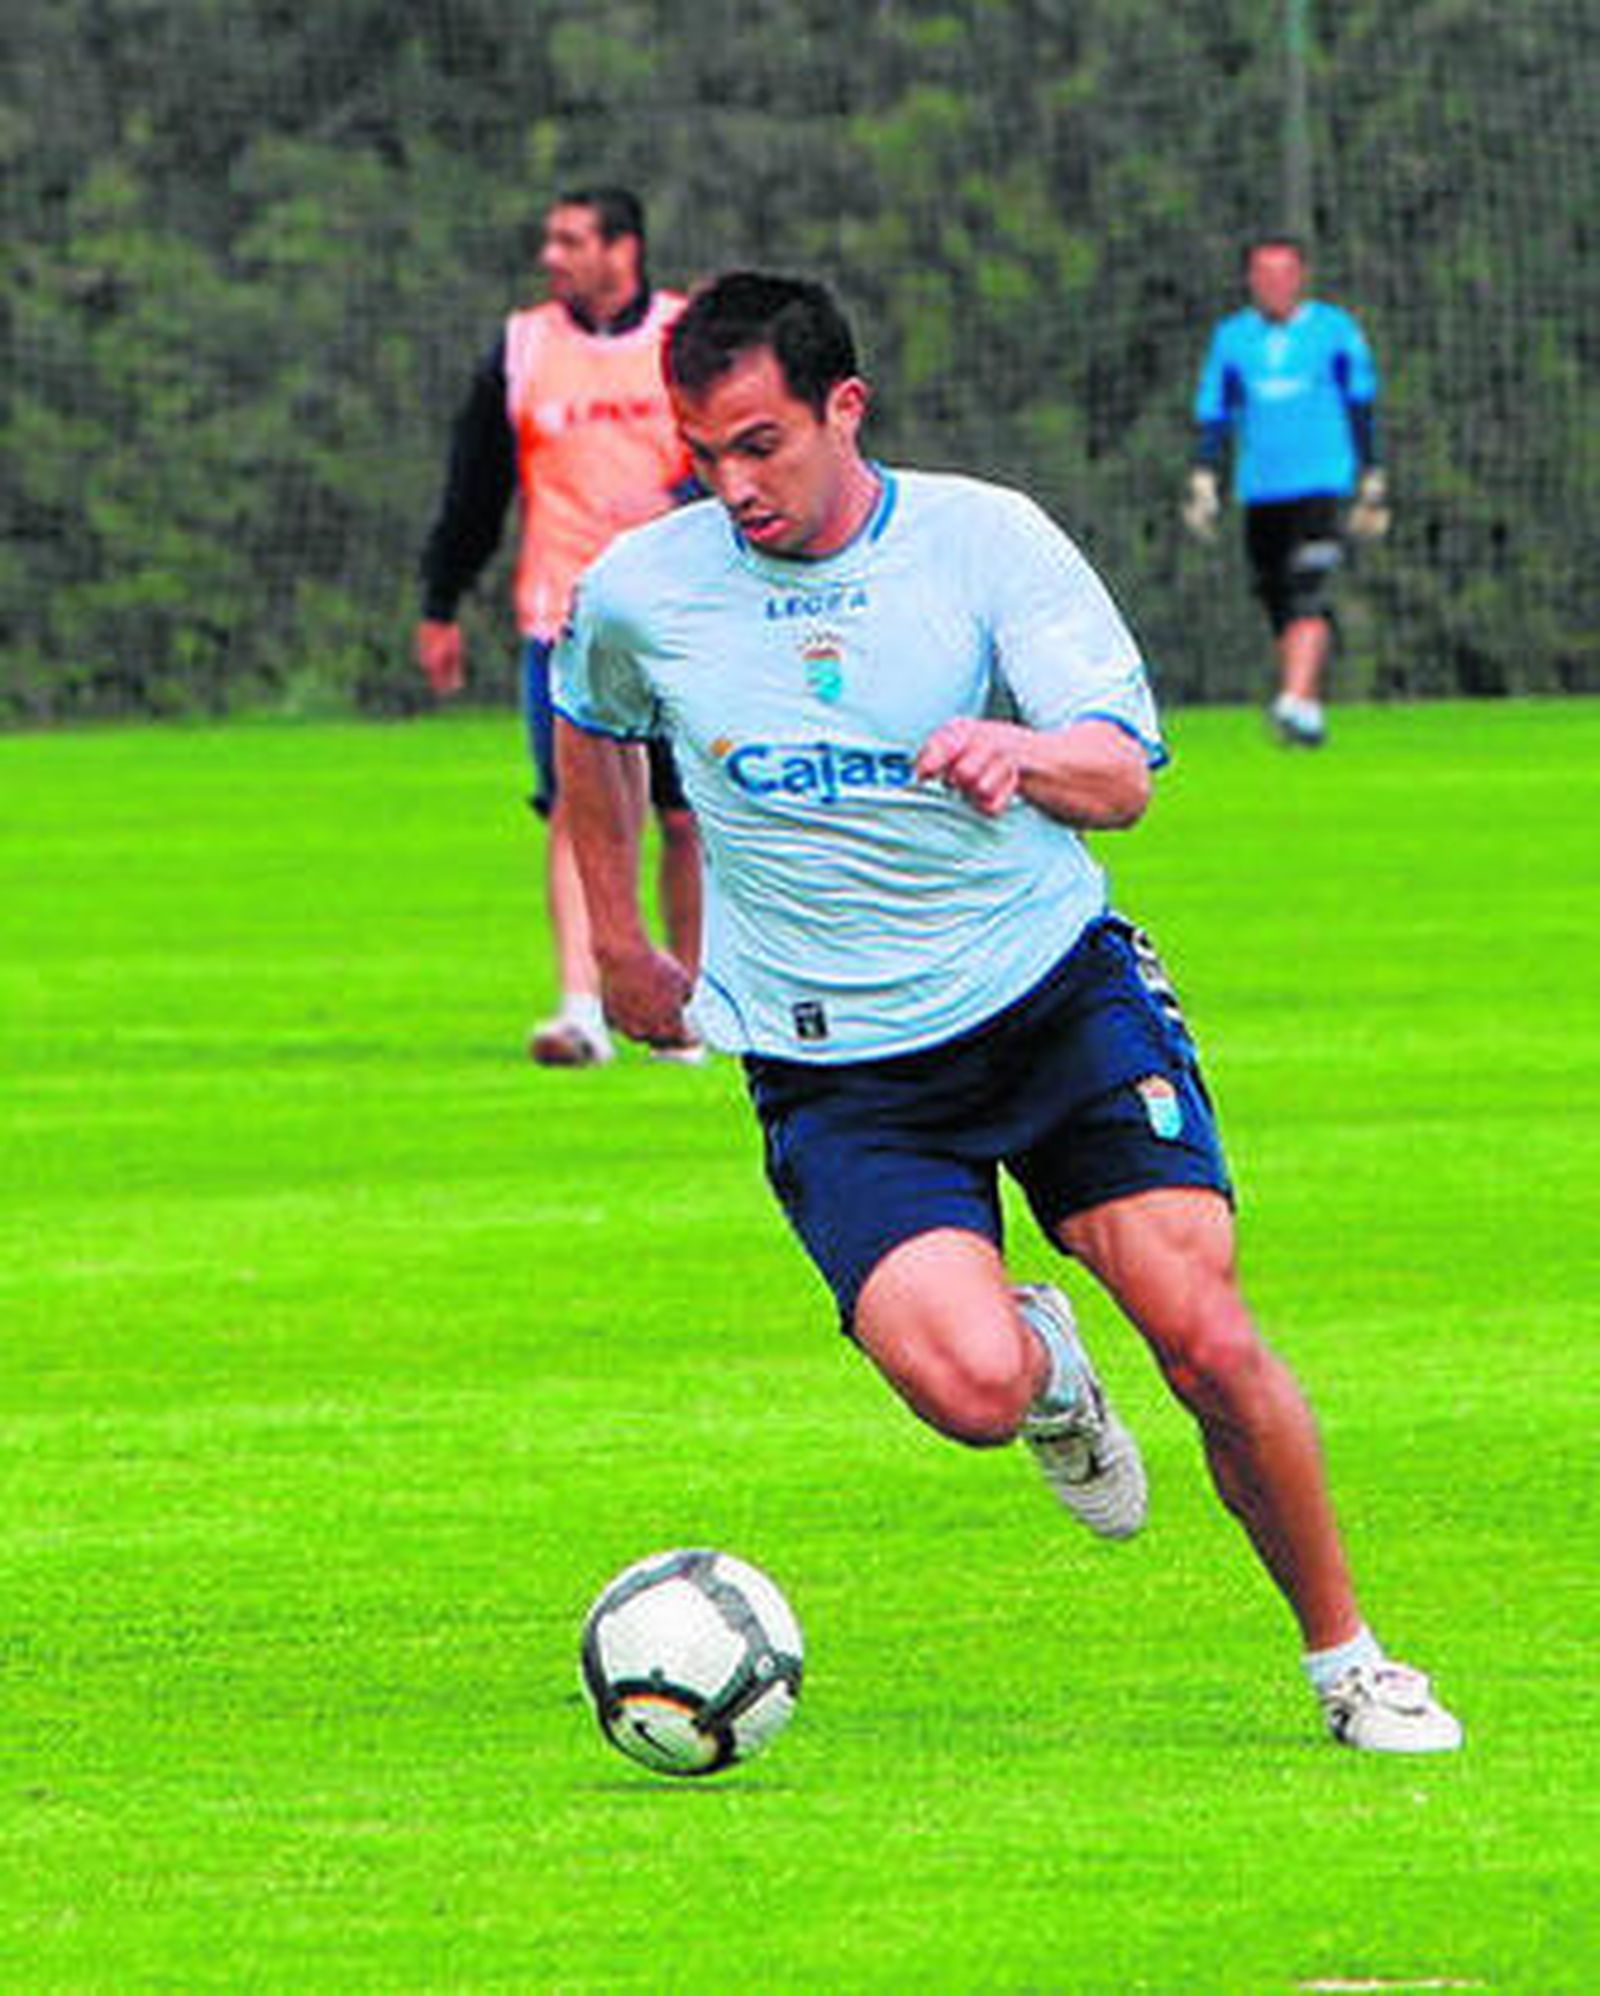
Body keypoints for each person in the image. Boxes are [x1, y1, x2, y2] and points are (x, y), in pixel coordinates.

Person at [553, 270, 1462, 1753]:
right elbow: (591, 721)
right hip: (842, 1067)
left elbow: (1122, 777)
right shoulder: (646, 589)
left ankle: (1350, 1661)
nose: (733, 485)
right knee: (971, 1390)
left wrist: (1016, 752)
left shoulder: (988, 542)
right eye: (703, 451)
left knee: (1207, 1340)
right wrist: (619, 940)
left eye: (762, 443)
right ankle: (1045, 1371)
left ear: (846, 409)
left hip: (1053, 1004)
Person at [416, 185, 703, 1065]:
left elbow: (739, 461)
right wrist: (441, 600)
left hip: (683, 620)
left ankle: (686, 1004)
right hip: (563, 617)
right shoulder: (523, 347)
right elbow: (476, 485)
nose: (551, 256)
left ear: (623, 249)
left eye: (570, 239)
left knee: (687, 815)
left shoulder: (688, 339)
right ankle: (583, 1007)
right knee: (578, 812)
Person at [1183, 234, 1390, 749]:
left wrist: (1372, 477)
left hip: (1321, 483)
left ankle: (1293, 700)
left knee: (1308, 592)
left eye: (1284, 272)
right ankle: (1307, 709)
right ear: (1251, 281)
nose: (1274, 284)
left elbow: (1361, 404)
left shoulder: (1334, 331)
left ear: (1301, 277)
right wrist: (1205, 475)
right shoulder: (1233, 339)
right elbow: (1216, 413)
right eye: (1263, 273)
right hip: (1261, 490)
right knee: (1278, 601)